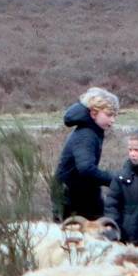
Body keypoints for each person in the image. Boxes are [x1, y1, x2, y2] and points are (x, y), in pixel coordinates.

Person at [51, 87, 118, 222]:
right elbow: (86, 168)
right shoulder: (86, 135)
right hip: (71, 196)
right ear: (93, 113)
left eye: (115, 116)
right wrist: (114, 180)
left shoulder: (91, 130)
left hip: (80, 192)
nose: (113, 120)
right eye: (109, 115)